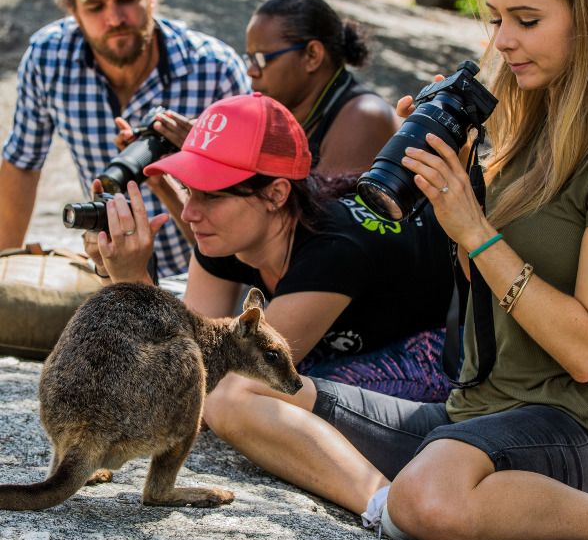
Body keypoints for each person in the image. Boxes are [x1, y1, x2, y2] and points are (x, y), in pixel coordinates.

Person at [194, 0, 588, 540]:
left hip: (573, 425)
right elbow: (478, 289)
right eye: (496, 18)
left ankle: (425, 504)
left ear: (586, 19)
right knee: (238, 394)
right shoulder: (516, 135)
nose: (503, 41)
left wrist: (477, 231)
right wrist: (452, 193)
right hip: (469, 415)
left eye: (526, 20)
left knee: (434, 496)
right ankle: (387, 506)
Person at [85, 92, 455, 400]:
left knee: (250, 396)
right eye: (191, 191)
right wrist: (114, 271)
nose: (191, 212)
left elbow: (200, 391)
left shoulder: (334, 251)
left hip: (437, 352)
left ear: (276, 193)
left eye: (211, 196)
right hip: (343, 343)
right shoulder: (228, 236)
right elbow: (191, 356)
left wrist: (133, 281)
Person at [0, 0, 250, 277]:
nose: (115, 18)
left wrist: (193, 155)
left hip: (210, 272)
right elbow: (22, 164)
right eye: (95, 6)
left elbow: (255, 191)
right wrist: (4, 267)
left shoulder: (215, 68)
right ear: (73, 10)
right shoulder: (48, 58)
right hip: (112, 272)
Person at [245, 0, 400, 177]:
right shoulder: (289, 111)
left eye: (262, 59)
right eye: (250, 58)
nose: (251, 71)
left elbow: (323, 206)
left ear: (312, 56)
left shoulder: (363, 116)